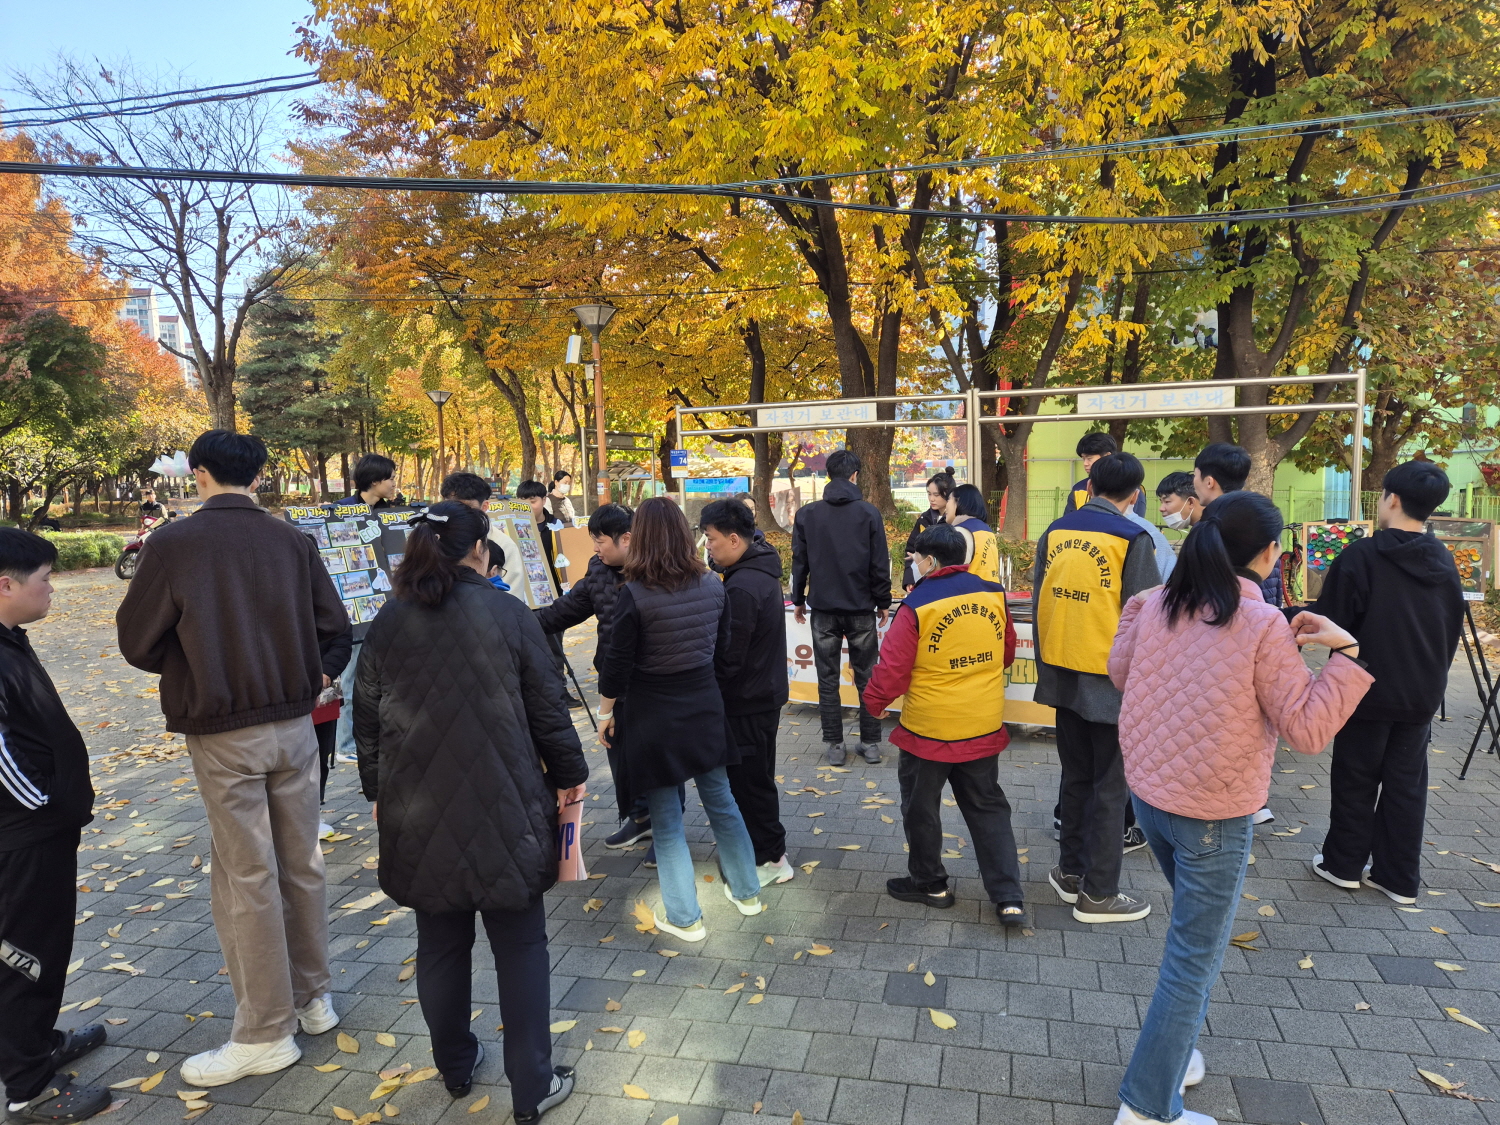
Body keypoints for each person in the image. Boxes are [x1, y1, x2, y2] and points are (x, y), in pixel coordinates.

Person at [1108, 491, 1371, 1125]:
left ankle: (1173, 1060)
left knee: (1190, 947)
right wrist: (1348, 655)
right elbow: (1309, 732)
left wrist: (1139, 607)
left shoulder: (1162, 605)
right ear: (1270, 552)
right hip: (1212, 816)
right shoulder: (1258, 626)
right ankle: (1145, 1108)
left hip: (1150, 800)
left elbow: (1121, 670)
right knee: (1192, 961)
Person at [116, 430, 349, 1086]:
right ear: (260, 472)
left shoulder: (173, 543)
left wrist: (199, 665)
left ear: (198, 474)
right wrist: (314, 677)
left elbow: (137, 638)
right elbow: (336, 628)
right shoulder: (290, 539)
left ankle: (264, 1030)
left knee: (246, 875)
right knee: (300, 861)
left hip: (224, 730)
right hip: (295, 723)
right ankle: (312, 998)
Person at [353, 502, 584, 1123]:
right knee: (522, 945)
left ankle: (454, 1066)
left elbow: (367, 718)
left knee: (440, 943)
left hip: (418, 810)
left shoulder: (389, 620)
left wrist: (376, 792)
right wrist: (571, 779)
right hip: (506, 802)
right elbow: (548, 709)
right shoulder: (507, 614)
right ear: (480, 547)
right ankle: (532, 1087)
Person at [595, 497, 764, 940]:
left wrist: (605, 712)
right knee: (722, 803)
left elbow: (617, 665)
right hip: (704, 706)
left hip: (654, 715)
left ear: (644, 537)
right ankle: (747, 891)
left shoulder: (633, 594)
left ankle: (686, 918)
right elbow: (723, 648)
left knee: (667, 819)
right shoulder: (713, 585)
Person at [1309, 460, 1464, 904]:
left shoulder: (1362, 556)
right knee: (1407, 784)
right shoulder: (1445, 560)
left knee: (1356, 776)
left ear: (1391, 499)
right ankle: (1397, 877)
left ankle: (1342, 864)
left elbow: (1332, 622)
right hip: (1422, 692)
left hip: (1364, 688)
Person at [0, 530, 112, 1124]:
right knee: (26, 953)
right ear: (6, 584)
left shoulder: (10, 639)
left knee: (47, 944)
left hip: (39, 828)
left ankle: (36, 1044)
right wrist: (43, 805)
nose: (52, 590)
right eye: (44, 579)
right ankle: (28, 1087)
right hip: (23, 836)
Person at [863, 523, 1028, 926]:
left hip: (929, 730)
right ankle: (1008, 897)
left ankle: (931, 884)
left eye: (916, 558)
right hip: (982, 723)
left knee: (921, 808)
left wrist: (874, 702)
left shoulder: (918, 604)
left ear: (930, 561)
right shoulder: (992, 593)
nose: (914, 565)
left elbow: (894, 668)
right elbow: (1006, 653)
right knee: (989, 808)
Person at [1033, 452, 1159, 923]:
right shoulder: (1134, 536)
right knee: (1111, 787)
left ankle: (1070, 874)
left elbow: (1042, 591)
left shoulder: (1058, 530)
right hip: (1110, 680)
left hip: (1062, 670)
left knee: (1076, 775)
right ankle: (1100, 893)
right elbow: (1147, 616)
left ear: (1089, 485)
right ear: (1135, 494)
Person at [532, 504, 664, 853]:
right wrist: (520, 623)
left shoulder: (658, 571)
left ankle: (667, 830)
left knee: (655, 760)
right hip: (613, 685)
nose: (594, 548)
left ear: (627, 539)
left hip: (652, 685)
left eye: (599, 541)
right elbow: (567, 609)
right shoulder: (598, 570)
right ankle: (638, 820)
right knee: (620, 759)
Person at [700, 499, 793, 887]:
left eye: (711, 539)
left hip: (748, 700)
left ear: (735, 539)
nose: (708, 547)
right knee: (756, 778)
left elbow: (729, 657)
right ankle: (764, 851)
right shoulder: (758, 570)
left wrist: (708, 694)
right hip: (762, 693)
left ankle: (772, 858)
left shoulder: (743, 586)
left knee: (751, 783)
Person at [789, 449, 891, 766]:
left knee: (827, 678)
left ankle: (834, 745)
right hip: (861, 609)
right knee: (866, 677)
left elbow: (799, 562)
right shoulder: (869, 514)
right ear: (854, 476)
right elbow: (879, 565)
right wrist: (883, 601)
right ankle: (871, 743)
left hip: (823, 610)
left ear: (828, 475)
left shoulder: (807, 514)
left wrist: (798, 599)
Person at [332, 454, 400, 764]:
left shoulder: (390, 512)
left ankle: (381, 739)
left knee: (386, 681)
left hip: (388, 612)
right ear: (374, 481)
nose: (394, 482)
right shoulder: (341, 512)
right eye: (390, 477)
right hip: (353, 614)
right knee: (351, 681)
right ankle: (346, 744)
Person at [312, 624, 354, 839]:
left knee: (319, 755)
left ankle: (312, 815)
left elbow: (342, 634)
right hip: (274, 691)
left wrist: (327, 670)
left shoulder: (321, 595)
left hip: (321, 691)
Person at [1066, 433, 1146, 517]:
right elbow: (1068, 520)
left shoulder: (1130, 488)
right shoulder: (1078, 489)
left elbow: (1136, 523)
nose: (1085, 463)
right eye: (1083, 459)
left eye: (1089, 458)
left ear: (1107, 456)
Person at [901, 469, 955, 589]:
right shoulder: (924, 519)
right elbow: (911, 550)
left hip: (948, 582)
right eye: (929, 494)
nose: (931, 499)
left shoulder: (956, 521)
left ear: (949, 494)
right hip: (924, 581)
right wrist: (910, 579)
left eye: (936, 495)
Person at [944, 483, 1002, 583]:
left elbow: (950, 573)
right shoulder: (987, 530)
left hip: (969, 595)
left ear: (958, 502)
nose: (946, 507)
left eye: (949, 499)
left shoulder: (959, 532)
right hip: (991, 593)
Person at [1190, 442, 1250, 509]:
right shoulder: (1253, 514)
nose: (1193, 481)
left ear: (1209, 482)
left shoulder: (1215, 517)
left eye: (1195, 475)